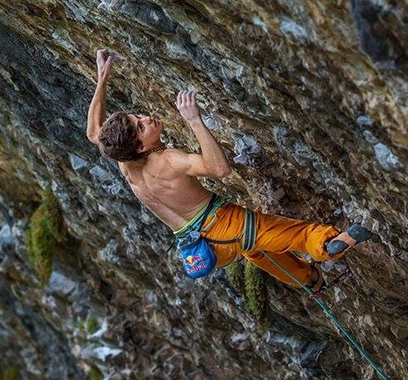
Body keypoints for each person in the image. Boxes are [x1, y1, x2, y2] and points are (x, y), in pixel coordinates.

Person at [86, 49, 371, 290]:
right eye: (140, 126)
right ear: (139, 147)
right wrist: (194, 120)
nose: (146, 118)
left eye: (138, 116)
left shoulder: (123, 161)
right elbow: (219, 169)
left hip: (202, 247)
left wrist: (102, 79)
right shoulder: (168, 160)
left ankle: (308, 279)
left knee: (255, 249)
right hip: (222, 224)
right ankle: (332, 244)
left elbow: (93, 133)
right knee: (296, 234)